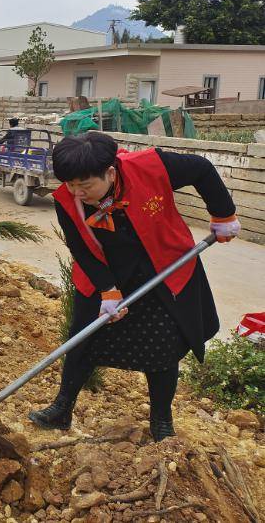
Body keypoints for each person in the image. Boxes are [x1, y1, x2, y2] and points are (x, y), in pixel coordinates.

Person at [29, 131, 240, 441]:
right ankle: (62, 409)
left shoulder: (150, 166)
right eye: (71, 184)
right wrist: (107, 289)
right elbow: (81, 248)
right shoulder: (67, 199)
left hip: (163, 270)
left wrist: (223, 215)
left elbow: (202, 169)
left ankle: (161, 422)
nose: (77, 192)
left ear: (110, 172)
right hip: (105, 275)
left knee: (162, 349)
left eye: (85, 185)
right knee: (82, 342)